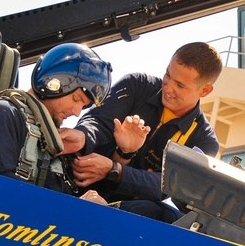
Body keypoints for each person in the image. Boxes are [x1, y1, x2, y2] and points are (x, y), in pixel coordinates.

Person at [66, 42, 223, 221]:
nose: (168, 88)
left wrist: (114, 170)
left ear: (205, 90)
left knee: (157, 213)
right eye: (168, 75)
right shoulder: (137, 85)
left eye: (180, 85)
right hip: (78, 182)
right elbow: (99, 120)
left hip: (129, 214)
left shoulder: (204, 141)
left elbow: (167, 186)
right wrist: (83, 135)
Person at [0, 43, 112, 194]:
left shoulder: (52, 143)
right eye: (76, 99)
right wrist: (74, 208)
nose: (77, 113)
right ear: (53, 83)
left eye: (84, 106)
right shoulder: (1, 115)